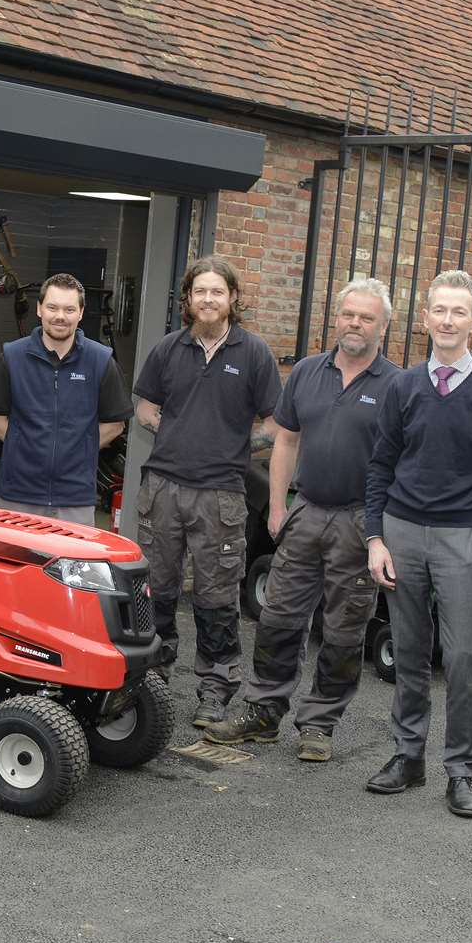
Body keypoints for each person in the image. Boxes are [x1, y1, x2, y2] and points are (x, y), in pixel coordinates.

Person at [203, 278, 396, 762]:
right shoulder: (309, 372)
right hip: (307, 510)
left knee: (345, 628)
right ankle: (263, 713)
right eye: (348, 314)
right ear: (337, 317)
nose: (355, 324)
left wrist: (382, 528)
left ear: (384, 326)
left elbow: (404, 461)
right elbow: (285, 441)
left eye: (366, 317)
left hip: (359, 519)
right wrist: (277, 506)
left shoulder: (398, 386)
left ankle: (319, 724)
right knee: (279, 617)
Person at [362, 269, 472, 818]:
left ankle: (461, 771)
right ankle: (408, 757)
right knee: (408, 652)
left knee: (459, 657)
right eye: (439, 310)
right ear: (426, 319)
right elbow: (381, 465)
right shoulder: (403, 387)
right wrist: (375, 537)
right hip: (403, 534)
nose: (448, 320)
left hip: (463, 539)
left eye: (459, 312)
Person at [132, 255, 282, 726]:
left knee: (217, 596)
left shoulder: (254, 353)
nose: (209, 299)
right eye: (201, 292)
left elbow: (276, 424)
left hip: (221, 495)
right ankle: (150, 684)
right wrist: (173, 433)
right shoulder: (168, 350)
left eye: (218, 291)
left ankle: (214, 690)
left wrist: (235, 445)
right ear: (188, 300)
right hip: (163, 488)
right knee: (155, 590)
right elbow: (144, 408)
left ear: (233, 298)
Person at [0, 273, 132, 526]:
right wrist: (27, 449)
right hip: (17, 495)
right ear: (39, 309)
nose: (60, 316)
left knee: (72, 566)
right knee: (14, 563)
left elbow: (115, 424)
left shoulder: (101, 361)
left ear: (81, 313)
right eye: (52, 307)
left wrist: (74, 451)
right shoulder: (11, 357)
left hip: (75, 499)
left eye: (69, 309)